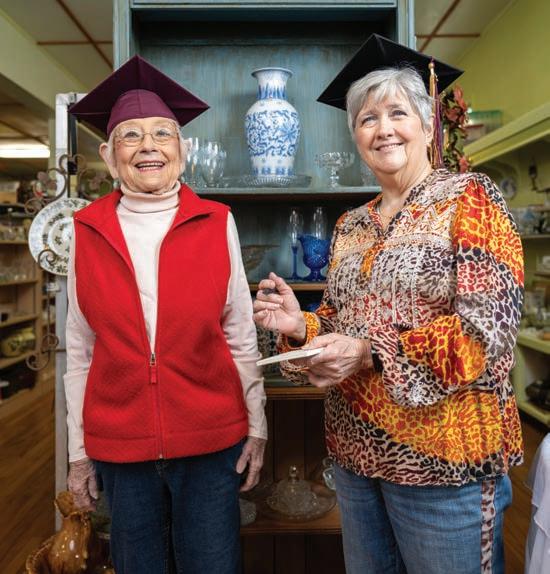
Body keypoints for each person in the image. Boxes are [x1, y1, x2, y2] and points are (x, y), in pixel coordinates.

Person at [253, 34, 523, 574]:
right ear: (355, 135)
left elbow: (484, 333)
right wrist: (301, 327)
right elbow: (340, 323)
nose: (383, 129)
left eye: (398, 112)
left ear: (427, 124)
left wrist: (369, 352)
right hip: (355, 457)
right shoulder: (351, 225)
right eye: (366, 119)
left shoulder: (470, 199)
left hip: (446, 463)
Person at [64, 55, 267, 574]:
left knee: (213, 564)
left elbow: (240, 334)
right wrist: (78, 451)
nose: (148, 146)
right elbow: (79, 351)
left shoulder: (217, 221)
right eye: (130, 136)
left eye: (162, 133)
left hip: (211, 438)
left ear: (183, 148)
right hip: (121, 444)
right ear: (110, 155)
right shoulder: (86, 230)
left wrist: (257, 424)